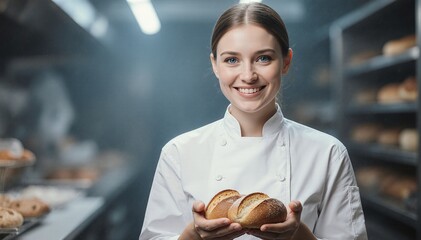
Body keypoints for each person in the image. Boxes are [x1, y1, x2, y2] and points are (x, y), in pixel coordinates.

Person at [140, 2, 367, 240]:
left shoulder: (328, 153)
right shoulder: (179, 153)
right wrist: (192, 235)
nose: (248, 76)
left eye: (263, 58)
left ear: (286, 61)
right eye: (231, 60)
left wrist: (299, 235)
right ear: (214, 65)